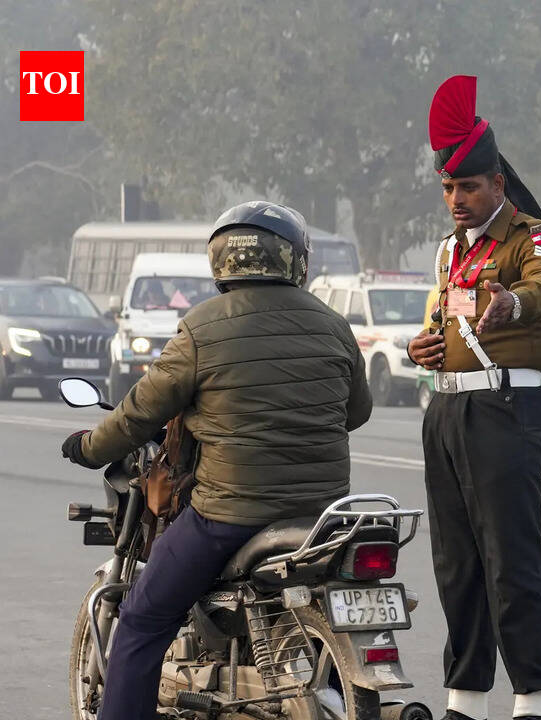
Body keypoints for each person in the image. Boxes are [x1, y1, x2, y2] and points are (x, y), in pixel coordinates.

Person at [60, 201, 373, 720]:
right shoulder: (333, 324)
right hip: (320, 514)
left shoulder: (202, 328)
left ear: (221, 261)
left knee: (142, 619)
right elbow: (355, 412)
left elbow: (139, 413)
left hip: (230, 515)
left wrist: (89, 447)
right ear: (296, 260)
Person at [405, 75, 541, 720]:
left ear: (498, 184)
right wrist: (424, 347)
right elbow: (443, 321)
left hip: (505, 411)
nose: (457, 200)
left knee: (511, 564)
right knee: (456, 565)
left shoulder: (532, 239)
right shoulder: (449, 251)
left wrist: (513, 303)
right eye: (448, 188)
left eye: (469, 186)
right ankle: (466, 700)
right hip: (447, 411)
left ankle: (533, 701)